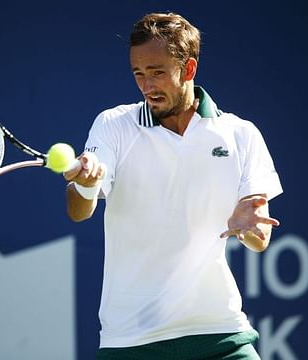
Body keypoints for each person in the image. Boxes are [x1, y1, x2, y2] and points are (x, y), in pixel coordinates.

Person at [64, 12, 283, 360]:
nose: (147, 86)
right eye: (138, 74)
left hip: (219, 332)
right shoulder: (113, 126)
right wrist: (87, 185)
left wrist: (248, 228)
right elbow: (79, 211)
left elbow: (260, 238)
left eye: (157, 73)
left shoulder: (241, 135)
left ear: (189, 69)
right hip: (131, 340)